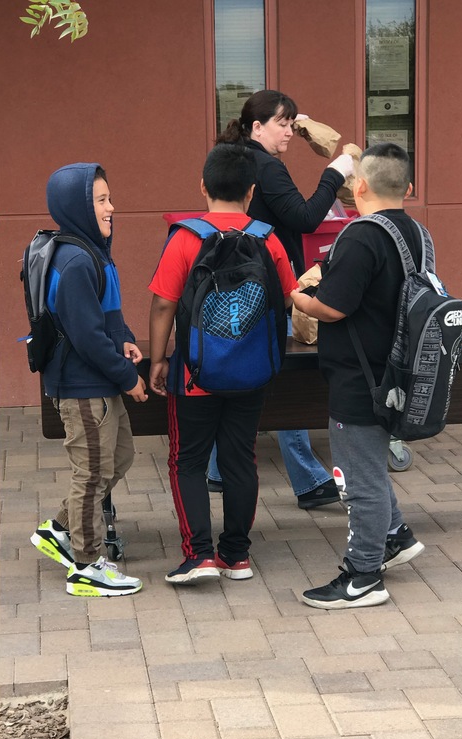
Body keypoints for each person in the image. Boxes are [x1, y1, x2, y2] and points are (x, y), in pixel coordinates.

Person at [149, 144, 298, 583]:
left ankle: (199, 554)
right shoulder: (268, 237)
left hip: (196, 374)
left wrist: (159, 360)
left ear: (203, 187)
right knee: (240, 459)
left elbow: (163, 305)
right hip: (250, 373)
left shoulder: (186, 237)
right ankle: (236, 555)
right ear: (251, 192)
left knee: (189, 460)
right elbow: (287, 299)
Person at [291, 142, 425, 609]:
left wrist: (298, 297)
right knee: (369, 465)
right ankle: (397, 536)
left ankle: (363, 576)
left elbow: (331, 306)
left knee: (359, 478)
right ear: (407, 187)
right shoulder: (418, 235)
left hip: (361, 378)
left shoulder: (362, 235)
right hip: (399, 373)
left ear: (358, 185)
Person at [214, 89, 356, 509]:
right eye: (282, 123)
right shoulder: (267, 168)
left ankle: (215, 468)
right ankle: (308, 480)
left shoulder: (236, 157)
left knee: (247, 373)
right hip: (268, 283)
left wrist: (293, 121)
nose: (290, 132)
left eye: (292, 123)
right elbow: (307, 217)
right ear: (256, 126)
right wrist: (336, 172)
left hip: (239, 282)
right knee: (278, 372)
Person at [30, 162, 146, 598]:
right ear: (76, 206)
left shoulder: (91, 250)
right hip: (84, 386)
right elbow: (86, 336)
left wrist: (127, 340)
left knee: (119, 459)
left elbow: (105, 315)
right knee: (93, 473)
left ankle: (59, 528)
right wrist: (127, 375)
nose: (111, 207)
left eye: (109, 198)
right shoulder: (76, 260)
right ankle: (87, 566)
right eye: (101, 200)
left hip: (99, 382)